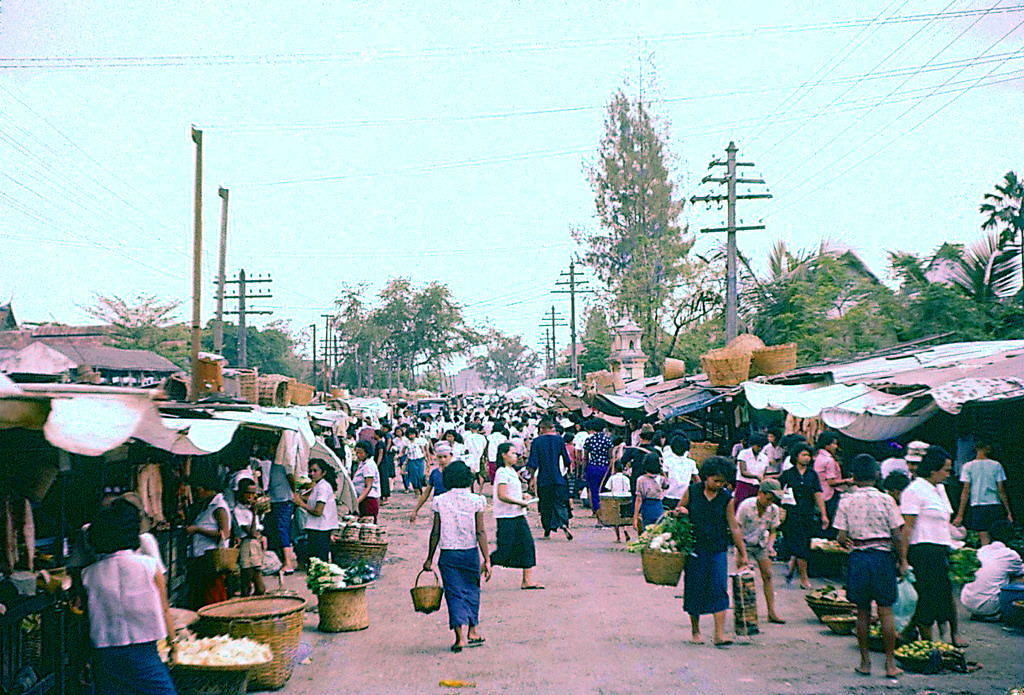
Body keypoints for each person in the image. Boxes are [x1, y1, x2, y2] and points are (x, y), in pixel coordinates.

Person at [83, 503, 177, 695]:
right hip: (144, 653)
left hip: (105, 656)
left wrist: (83, 660)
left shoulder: (88, 575)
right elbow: (164, 609)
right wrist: (173, 643)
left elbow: (86, 621)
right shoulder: (150, 566)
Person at [833, 454, 908, 678]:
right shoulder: (887, 500)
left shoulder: (846, 500)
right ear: (877, 475)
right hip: (882, 557)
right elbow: (897, 533)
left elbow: (840, 536)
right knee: (885, 612)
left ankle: (865, 663)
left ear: (853, 477)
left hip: (858, 558)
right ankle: (890, 664)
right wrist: (902, 560)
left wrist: (847, 542)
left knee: (862, 613)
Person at [675, 456, 748, 647]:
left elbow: (734, 527)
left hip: (717, 548)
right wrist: (682, 512)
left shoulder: (726, 499)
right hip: (694, 548)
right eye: (715, 480)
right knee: (694, 587)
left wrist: (743, 552)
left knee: (719, 588)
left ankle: (719, 634)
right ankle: (696, 631)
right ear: (705, 477)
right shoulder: (692, 491)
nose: (719, 485)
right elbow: (679, 509)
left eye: (722, 482)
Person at [423, 461, 492, 653]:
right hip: (470, 552)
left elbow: (435, 532)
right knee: (472, 590)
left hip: (448, 553)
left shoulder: (439, 501)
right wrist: (487, 558)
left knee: (453, 593)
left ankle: (459, 637)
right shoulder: (476, 500)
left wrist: (429, 558)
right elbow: (481, 532)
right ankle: (473, 630)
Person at [901, 445, 965, 647]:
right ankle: (929, 644)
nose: (948, 474)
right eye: (945, 470)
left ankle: (912, 633)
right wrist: (902, 558)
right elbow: (907, 527)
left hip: (940, 548)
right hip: (922, 550)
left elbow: (946, 519)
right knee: (928, 596)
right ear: (933, 470)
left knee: (942, 593)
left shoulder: (939, 490)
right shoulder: (915, 490)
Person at [490, 442, 544, 590]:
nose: (516, 456)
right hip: (506, 516)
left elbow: (511, 492)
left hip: (518, 514)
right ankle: (483, 567)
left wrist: (523, 496)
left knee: (527, 545)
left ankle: (528, 580)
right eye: (513, 453)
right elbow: (502, 495)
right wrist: (519, 502)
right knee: (504, 550)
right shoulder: (502, 472)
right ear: (504, 455)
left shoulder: (512, 471)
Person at [778, 443, 829, 590]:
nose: (806, 458)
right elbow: (778, 489)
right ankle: (803, 578)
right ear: (796, 457)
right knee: (800, 544)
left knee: (804, 544)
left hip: (807, 514)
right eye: (803, 455)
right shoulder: (789, 474)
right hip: (792, 514)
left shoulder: (812, 475)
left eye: (808, 455)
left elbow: (817, 494)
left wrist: (823, 514)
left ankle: (791, 568)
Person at [735, 479, 785, 625]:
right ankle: (744, 614)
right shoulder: (746, 506)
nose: (770, 502)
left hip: (761, 544)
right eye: (768, 498)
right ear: (760, 493)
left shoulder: (774, 509)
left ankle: (771, 611)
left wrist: (770, 546)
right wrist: (742, 553)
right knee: (744, 579)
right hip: (744, 544)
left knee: (768, 575)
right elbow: (737, 529)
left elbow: (773, 531)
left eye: (772, 499)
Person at [959, 520, 1024, 620]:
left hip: (967, 601)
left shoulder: (981, 551)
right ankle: (1003, 613)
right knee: (1020, 579)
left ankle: (982, 612)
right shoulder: (1010, 555)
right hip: (989, 606)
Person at [185, 471, 231, 609]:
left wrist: (197, 530)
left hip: (210, 557)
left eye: (197, 490)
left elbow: (224, 533)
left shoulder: (219, 507)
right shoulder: (208, 505)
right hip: (201, 555)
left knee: (212, 596)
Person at [953, 440, 1013, 545]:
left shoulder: (968, 466)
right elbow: (1001, 490)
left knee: (984, 538)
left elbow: (966, 490)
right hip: (995, 504)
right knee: (997, 537)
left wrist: (960, 514)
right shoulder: (996, 465)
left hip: (978, 505)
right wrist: (1008, 511)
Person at [527, 419, 573, 541]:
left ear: (542, 428)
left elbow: (532, 463)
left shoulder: (536, 441)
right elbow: (567, 460)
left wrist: (532, 479)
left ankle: (547, 531)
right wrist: (568, 471)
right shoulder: (559, 440)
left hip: (543, 479)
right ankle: (563, 523)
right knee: (560, 503)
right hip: (558, 478)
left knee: (545, 505)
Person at [293, 459, 339, 563]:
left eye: (315, 471)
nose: (312, 474)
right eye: (310, 471)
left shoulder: (323, 487)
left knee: (318, 562)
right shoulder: (318, 486)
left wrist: (301, 504)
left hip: (320, 529)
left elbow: (318, 511)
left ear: (323, 473)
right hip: (317, 528)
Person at [263, 451, 298, 574]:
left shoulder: (285, 460)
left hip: (284, 499)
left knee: (283, 529)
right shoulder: (271, 462)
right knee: (278, 529)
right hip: (276, 499)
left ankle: (288, 563)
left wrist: (294, 493)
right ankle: (285, 560)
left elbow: (291, 477)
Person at [233, 479, 266, 597]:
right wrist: (254, 513)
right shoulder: (238, 510)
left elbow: (257, 531)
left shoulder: (250, 509)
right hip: (246, 545)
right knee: (246, 578)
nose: (251, 496)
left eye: (253, 493)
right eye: (248, 493)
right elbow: (251, 532)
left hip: (255, 544)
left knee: (259, 584)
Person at [814, 431, 851, 530]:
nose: (835, 447)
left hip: (820, 495)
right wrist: (846, 481)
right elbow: (831, 482)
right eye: (833, 444)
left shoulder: (817, 457)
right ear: (826, 445)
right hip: (829, 496)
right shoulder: (829, 461)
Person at [410, 442, 453, 524]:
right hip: (438, 506)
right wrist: (415, 510)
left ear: (451, 456)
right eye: (440, 457)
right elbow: (426, 493)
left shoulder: (456, 472)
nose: (443, 460)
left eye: (445, 457)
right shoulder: (435, 473)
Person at [582, 419, 614, 515]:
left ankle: (597, 515)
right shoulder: (608, 439)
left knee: (594, 492)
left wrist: (583, 471)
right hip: (605, 468)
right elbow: (610, 456)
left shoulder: (589, 440)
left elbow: (585, 458)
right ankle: (605, 513)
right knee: (604, 492)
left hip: (592, 467)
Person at [661, 434, 698, 511]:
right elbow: (697, 480)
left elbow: (664, 478)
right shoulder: (691, 463)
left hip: (669, 496)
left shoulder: (667, 462)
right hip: (685, 496)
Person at [633, 454, 667, 532]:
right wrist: (662, 470)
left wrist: (635, 517)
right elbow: (667, 485)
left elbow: (639, 499)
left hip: (647, 507)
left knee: (647, 533)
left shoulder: (641, 480)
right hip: (659, 507)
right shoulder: (661, 479)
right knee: (659, 532)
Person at [734, 433, 769, 506]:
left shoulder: (765, 457)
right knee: (740, 506)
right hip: (743, 485)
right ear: (753, 444)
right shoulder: (743, 453)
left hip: (756, 487)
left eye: (761, 447)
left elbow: (764, 474)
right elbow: (743, 472)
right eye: (758, 446)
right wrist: (756, 476)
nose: (759, 449)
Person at [352, 440, 382, 521]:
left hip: (368, 500)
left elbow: (368, 486)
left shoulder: (369, 465)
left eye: (361, 453)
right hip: (363, 499)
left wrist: (358, 501)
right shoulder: (362, 463)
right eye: (357, 452)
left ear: (367, 453)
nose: (358, 455)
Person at [604, 460, 632, 543]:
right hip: (624, 499)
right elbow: (629, 489)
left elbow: (608, 488)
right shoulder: (626, 478)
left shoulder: (612, 478)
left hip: (614, 499)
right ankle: (625, 530)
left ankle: (618, 537)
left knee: (615, 519)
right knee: (623, 516)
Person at [463, 421, 488, 493]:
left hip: (471, 458)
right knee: (481, 475)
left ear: (470, 428)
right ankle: (480, 491)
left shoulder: (468, 438)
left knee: (471, 475)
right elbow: (484, 447)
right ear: (478, 429)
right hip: (480, 457)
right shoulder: (482, 437)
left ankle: (472, 490)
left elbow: (466, 449)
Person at [406, 426, 430, 495]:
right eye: (410, 434)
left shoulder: (419, 441)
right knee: (413, 476)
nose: (411, 436)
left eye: (413, 434)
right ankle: (416, 488)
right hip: (411, 460)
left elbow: (424, 450)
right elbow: (405, 452)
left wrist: (427, 459)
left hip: (420, 459)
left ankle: (420, 487)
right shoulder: (407, 442)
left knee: (421, 475)